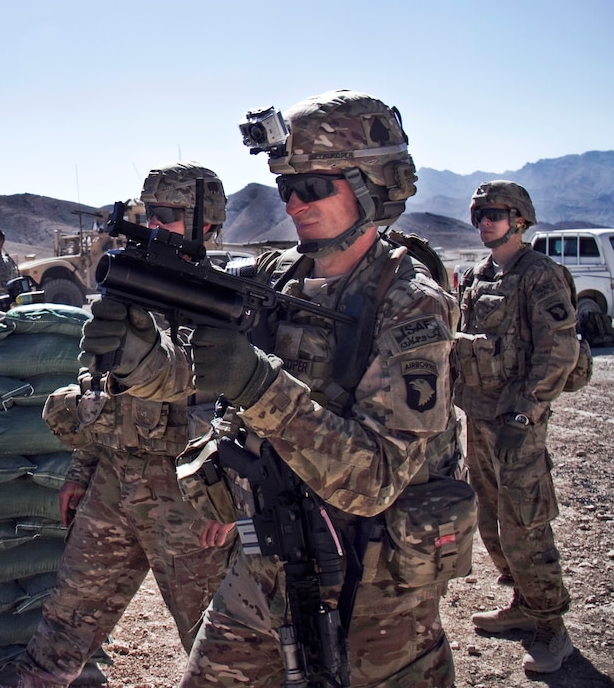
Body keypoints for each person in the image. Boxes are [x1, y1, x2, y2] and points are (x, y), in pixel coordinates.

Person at [80, 91, 463, 686]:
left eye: (313, 188)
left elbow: (375, 479)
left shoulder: (410, 302)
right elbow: (195, 372)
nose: (294, 204)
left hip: (373, 583)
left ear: (371, 186)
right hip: (265, 561)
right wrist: (139, 359)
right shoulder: (276, 275)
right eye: (286, 190)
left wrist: (257, 383)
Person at [0, 163, 235, 688]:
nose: (154, 225)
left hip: (189, 495)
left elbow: (246, 408)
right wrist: (83, 468)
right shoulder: (129, 288)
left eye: (169, 215)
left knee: (216, 646)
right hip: (115, 480)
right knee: (65, 622)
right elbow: (98, 387)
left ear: (207, 225)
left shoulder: (232, 304)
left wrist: (229, 495)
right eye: (150, 213)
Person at [455, 180, 578, 673]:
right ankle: (523, 604)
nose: (485, 222)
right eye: (479, 214)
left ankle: (552, 626)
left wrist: (526, 413)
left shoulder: (541, 274)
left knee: (525, 524)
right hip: (480, 416)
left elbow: (559, 352)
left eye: (496, 214)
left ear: (520, 220)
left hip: (517, 421)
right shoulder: (479, 273)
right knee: (489, 518)